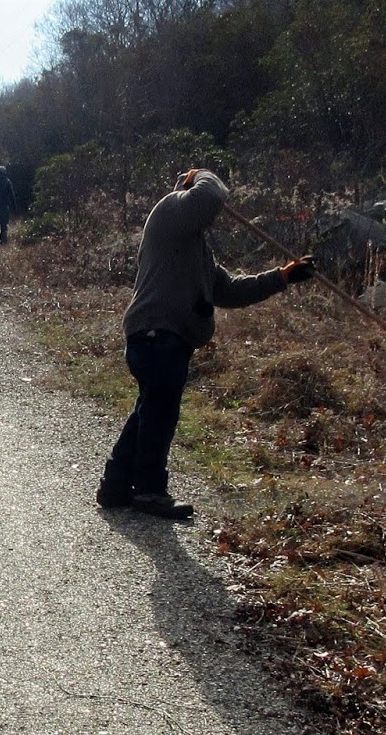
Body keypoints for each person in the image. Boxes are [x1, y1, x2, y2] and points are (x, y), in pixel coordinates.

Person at [97, 168, 315, 519]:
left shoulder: (197, 250)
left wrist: (283, 276)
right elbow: (211, 196)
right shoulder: (169, 211)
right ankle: (150, 491)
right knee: (160, 413)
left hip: (167, 340)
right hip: (156, 334)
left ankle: (116, 485)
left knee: (150, 410)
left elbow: (229, 291)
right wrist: (200, 174)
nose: (212, 214)